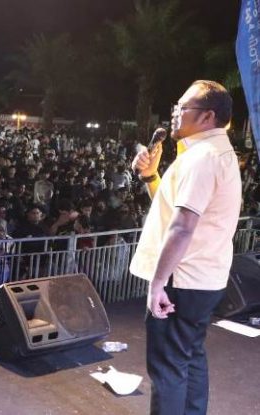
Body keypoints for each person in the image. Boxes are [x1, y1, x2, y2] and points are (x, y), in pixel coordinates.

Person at [129, 80, 241, 415]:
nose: (175, 113)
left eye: (183, 107)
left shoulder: (203, 158)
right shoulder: (215, 152)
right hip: (204, 279)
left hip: (183, 278)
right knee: (189, 359)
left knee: (167, 369)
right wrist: (151, 177)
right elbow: (173, 212)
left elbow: (182, 227)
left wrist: (157, 284)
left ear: (208, 116)